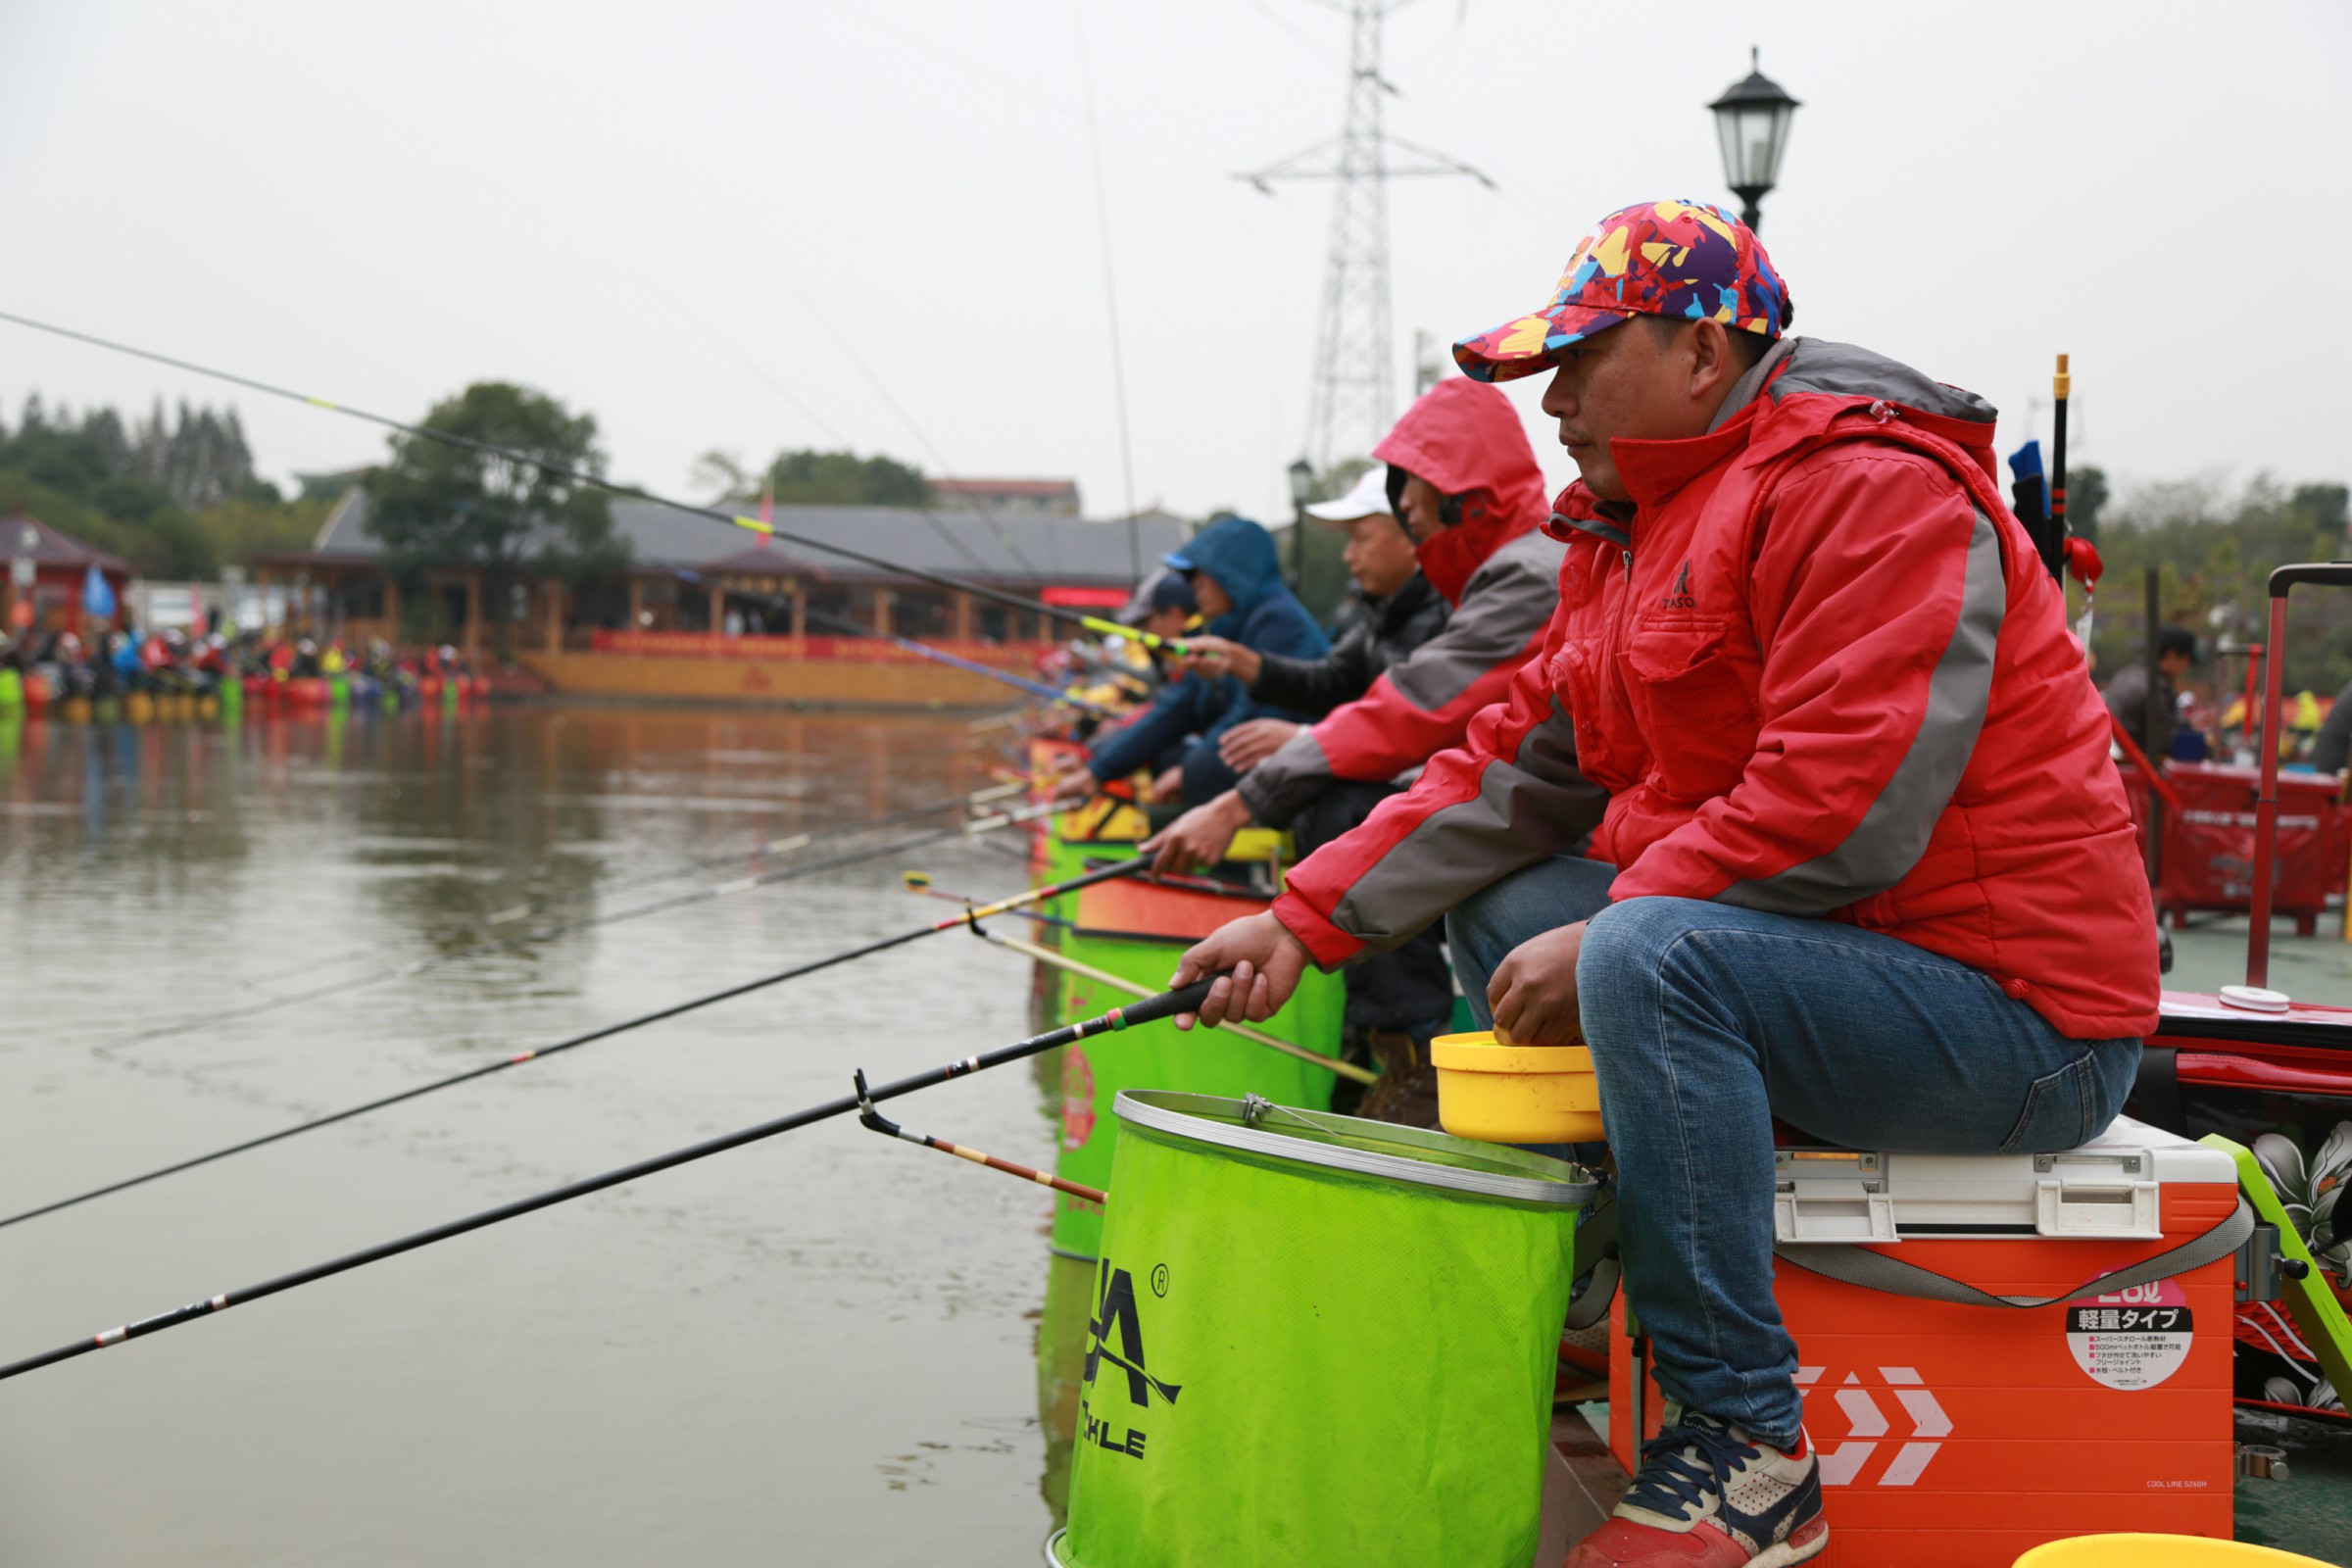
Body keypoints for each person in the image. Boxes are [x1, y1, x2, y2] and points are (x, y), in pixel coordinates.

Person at [1168, 199, 2157, 1568]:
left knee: (1637, 952)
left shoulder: (1868, 485)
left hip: (2023, 1025)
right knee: (1513, 903)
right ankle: (1609, 1251)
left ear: (1703, 351)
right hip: (1838, 971)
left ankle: (1747, 1440)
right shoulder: (1635, 530)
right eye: (1546, 370)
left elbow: (1848, 807)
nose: (1555, 402)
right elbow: (1512, 767)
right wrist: (1298, 920)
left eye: (1582, 359)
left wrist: (1625, 929)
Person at [1149, 379, 1568, 1106]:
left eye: (1405, 519)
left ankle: (1413, 1061)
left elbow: (1406, 710)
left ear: (1463, 500)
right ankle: (1401, 1047)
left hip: (1616, 860)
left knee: (1353, 808)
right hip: (1585, 827)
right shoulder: (1499, 575)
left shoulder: (1526, 574)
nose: (1407, 539)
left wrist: (1240, 804)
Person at [1054, 515, 1328, 807]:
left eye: (1199, 573)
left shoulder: (1279, 624)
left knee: (1199, 767)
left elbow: (1251, 719)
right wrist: (1097, 769)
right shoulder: (1226, 626)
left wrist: (1186, 773)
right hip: (1261, 759)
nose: (1192, 583)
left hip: (1301, 767)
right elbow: (1178, 705)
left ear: (1233, 575)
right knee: (1172, 756)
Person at [2102, 625, 2195, 760]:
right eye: (2186, 660)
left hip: (2120, 756)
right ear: (2171, 655)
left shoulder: (2128, 673)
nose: (2185, 668)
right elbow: (2166, 740)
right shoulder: (2156, 685)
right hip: (2137, 764)